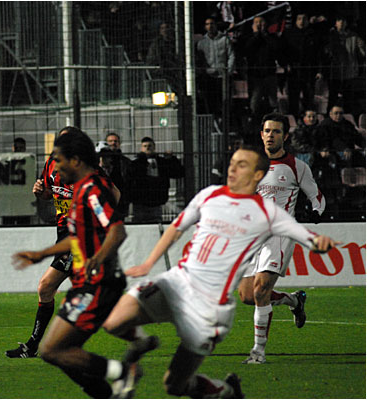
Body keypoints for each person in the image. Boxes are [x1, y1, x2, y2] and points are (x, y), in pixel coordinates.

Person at [100, 144, 339, 398]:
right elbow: (176, 227)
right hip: (177, 282)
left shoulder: (268, 213)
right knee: (113, 321)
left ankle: (225, 390)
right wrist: (149, 263)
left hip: (210, 307)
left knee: (174, 385)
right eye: (232, 162)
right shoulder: (210, 194)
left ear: (258, 175)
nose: (233, 168)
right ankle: (138, 348)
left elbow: (306, 236)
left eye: (242, 164)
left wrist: (319, 242)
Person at [12, 129, 149, 399]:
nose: (55, 168)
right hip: (88, 283)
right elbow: (76, 236)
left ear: (75, 161)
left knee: (55, 350)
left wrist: (96, 259)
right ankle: (117, 377)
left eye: (60, 161)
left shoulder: (94, 190)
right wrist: (41, 254)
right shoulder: (81, 190)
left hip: (99, 282)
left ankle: (121, 370)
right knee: (56, 353)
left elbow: (117, 230)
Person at [237, 112, 326, 364]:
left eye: (276, 131)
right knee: (248, 296)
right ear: (261, 134)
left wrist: (317, 211)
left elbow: (317, 196)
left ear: (285, 136)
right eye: (267, 131)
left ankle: (258, 352)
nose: (270, 135)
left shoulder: (298, 167)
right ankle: (295, 300)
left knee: (261, 288)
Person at [5, 126, 80, 358]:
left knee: (46, 287)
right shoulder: (51, 165)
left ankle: (35, 346)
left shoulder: (83, 168)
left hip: (78, 240)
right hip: (63, 234)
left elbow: (112, 194)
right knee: (93, 297)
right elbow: (49, 192)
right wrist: (40, 191)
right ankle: (136, 332)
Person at [127, 137, 184, 223]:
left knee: (155, 222)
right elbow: (133, 175)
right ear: (141, 148)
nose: (147, 148)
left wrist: (172, 159)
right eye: (145, 146)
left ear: (154, 147)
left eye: (150, 146)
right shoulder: (136, 163)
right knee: (139, 223)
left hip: (156, 200)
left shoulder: (161, 162)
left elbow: (178, 173)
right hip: (140, 201)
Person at [243, 16, 286, 117]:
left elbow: (275, 48)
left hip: (269, 73)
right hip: (255, 74)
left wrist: (264, 34)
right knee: (255, 99)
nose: (259, 24)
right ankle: (253, 118)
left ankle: (274, 117)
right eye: (256, 22)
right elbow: (247, 49)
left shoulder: (271, 37)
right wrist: (256, 34)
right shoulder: (249, 37)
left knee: (272, 99)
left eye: (261, 22)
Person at [281, 13, 323, 117]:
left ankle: (308, 120)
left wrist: (319, 70)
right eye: (299, 19)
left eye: (304, 19)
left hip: (309, 70)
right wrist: (286, 64)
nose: (302, 21)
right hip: (294, 71)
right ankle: (294, 119)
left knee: (308, 97)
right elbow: (282, 52)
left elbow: (319, 53)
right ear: (295, 21)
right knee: (293, 97)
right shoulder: (288, 34)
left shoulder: (314, 34)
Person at [324, 16, 366, 117]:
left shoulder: (353, 36)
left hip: (349, 73)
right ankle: (329, 118)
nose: (341, 23)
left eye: (343, 21)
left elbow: (363, 53)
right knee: (332, 99)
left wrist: (362, 46)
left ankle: (348, 118)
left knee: (348, 99)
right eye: (339, 20)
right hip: (334, 73)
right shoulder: (330, 36)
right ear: (335, 23)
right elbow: (325, 53)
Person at [196, 17, 235, 117]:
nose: (210, 26)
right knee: (211, 101)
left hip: (223, 76)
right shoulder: (202, 42)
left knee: (225, 101)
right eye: (207, 24)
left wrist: (228, 71)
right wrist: (205, 70)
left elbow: (231, 55)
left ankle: (225, 121)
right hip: (209, 77)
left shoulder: (224, 39)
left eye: (212, 24)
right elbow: (200, 60)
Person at [104, 132, 131, 216]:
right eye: (110, 141)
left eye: (115, 141)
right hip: (105, 198)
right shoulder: (100, 161)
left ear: (119, 143)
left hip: (122, 199)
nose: (113, 143)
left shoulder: (125, 161)